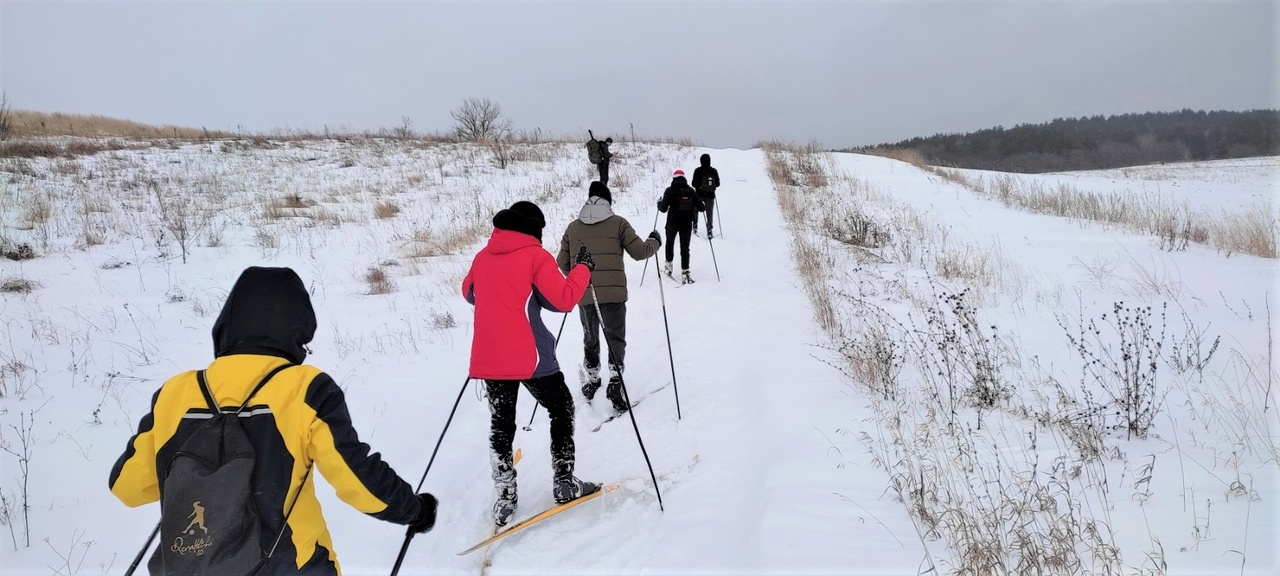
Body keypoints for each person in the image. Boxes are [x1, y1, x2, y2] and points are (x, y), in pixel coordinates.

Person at [109, 266, 437, 575]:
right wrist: (414, 509)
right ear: (297, 331)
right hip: (289, 567)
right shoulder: (305, 389)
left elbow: (128, 486)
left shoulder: (174, 392)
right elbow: (358, 480)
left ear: (227, 325)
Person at [462, 201, 600, 527]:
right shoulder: (536, 257)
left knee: (501, 425)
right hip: (531, 358)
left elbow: (469, 292)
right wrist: (582, 268)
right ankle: (564, 481)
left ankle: (505, 497)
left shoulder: (483, 257)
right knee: (562, 407)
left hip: (490, 358)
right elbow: (563, 300)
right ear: (533, 229)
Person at [557, 181, 661, 413]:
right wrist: (655, 241)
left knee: (590, 337)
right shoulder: (619, 223)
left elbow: (561, 262)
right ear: (608, 201)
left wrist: (578, 280)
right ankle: (615, 382)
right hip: (613, 295)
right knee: (615, 338)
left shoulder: (573, 228)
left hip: (585, 294)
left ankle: (593, 380)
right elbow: (640, 252)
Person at [657, 169, 706, 284]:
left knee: (669, 244)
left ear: (674, 178)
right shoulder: (690, 191)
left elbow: (663, 209)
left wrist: (659, 203)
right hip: (686, 224)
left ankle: (668, 268)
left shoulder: (669, 190)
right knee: (685, 248)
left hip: (672, 223)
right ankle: (685, 272)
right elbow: (702, 208)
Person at [691, 153, 721, 238]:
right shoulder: (713, 171)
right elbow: (718, 184)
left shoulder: (697, 170)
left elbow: (693, 184)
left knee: (695, 210)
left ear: (701, 161)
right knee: (709, 213)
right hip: (710, 195)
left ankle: (695, 225)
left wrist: (699, 186)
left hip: (698, 195)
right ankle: (709, 229)